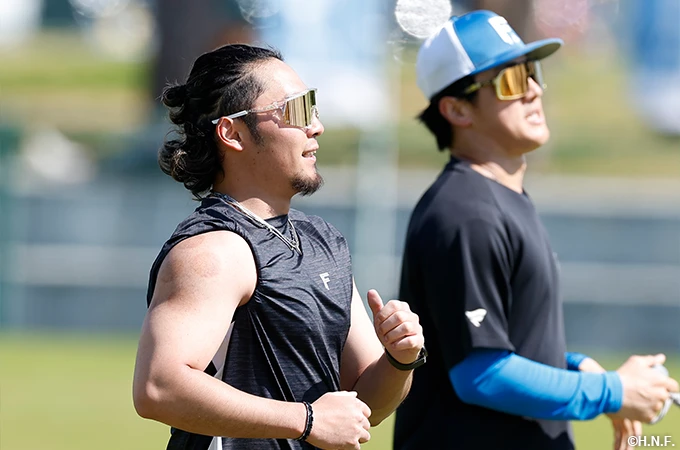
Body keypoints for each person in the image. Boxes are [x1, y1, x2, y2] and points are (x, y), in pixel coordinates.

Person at [393, 10, 679, 450]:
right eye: (510, 80)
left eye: (532, 72)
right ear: (457, 109)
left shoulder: (496, 198)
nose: (532, 89)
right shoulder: (465, 212)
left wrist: (578, 369)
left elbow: (504, 342)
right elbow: (481, 374)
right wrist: (610, 392)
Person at [132, 43, 427, 450]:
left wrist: (399, 359)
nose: (317, 126)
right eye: (297, 109)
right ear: (232, 133)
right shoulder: (213, 250)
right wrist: (306, 420)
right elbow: (159, 387)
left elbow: (362, 407)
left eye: (313, 106)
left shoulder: (324, 240)